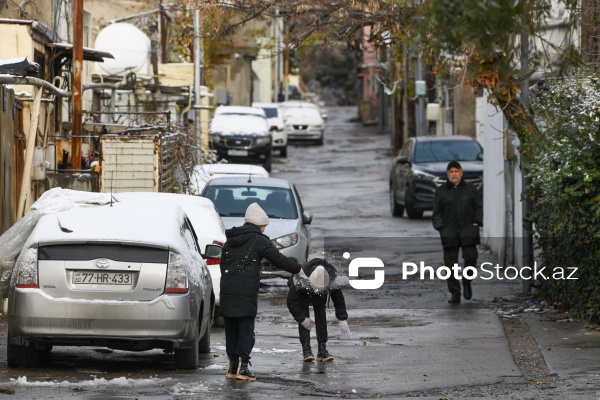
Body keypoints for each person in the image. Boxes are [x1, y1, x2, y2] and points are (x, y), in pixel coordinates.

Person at [220, 202, 302, 382]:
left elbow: (223, 264)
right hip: (245, 291)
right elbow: (278, 259)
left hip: (227, 289)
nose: (265, 228)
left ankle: (232, 367)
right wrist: (298, 269)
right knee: (246, 330)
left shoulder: (231, 240)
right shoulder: (259, 240)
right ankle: (243, 368)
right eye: (264, 225)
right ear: (259, 224)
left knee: (232, 328)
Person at [432, 161, 483, 304]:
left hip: (468, 230)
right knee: (450, 264)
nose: (454, 174)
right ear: (448, 174)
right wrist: (441, 227)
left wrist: (476, 222)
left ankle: (467, 280)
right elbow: (436, 213)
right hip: (449, 232)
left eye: (456, 171)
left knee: (471, 258)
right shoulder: (441, 191)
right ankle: (455, 292)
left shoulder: (471, 188)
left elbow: (478, 207)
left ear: (461, 172)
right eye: (451, 172)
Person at [286, 258, 352, 362]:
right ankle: (306, 349)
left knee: (321, 316)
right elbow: (291, 301)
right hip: (303, 291)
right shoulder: (299, 278)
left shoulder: (331, 278)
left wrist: (342, 319)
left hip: (322, 292)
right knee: (304, 316)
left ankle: (322, 350)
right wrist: (302, 319)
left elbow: (338, 299)